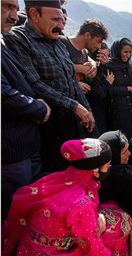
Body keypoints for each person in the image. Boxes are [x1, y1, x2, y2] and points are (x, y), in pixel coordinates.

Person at [2, 138, 132, 256]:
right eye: (107, 165)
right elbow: (91, 246)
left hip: (29, 252)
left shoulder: (54, 179)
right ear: (95, 170)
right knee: (120, 223)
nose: (109, 167)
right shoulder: (82, 203)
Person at [4, 0, 95, 172]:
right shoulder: (18, 39)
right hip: (48, 123)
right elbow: (34, 83)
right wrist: (74, 106)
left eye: (62, 20)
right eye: (54, 20)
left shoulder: (59, 43)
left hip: (73, 119)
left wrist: (86, 108)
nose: (60, 26)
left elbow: (71, 80)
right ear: (34, 15)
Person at [1, 0, 51, 221]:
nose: (13, 16)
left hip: (26, 144)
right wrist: (38, 108)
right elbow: (4, 93)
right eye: (6, 7)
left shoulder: (4, 41)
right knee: (13, 214)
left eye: (14, 8)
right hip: (11, 150)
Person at [106, 38, 132, 139]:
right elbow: (108, 90)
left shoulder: (131, 69)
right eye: (125, 51)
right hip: (118, 112)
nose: (127, 55)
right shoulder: (109, 67)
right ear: (117, 51)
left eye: (129, 52)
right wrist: (128, 89)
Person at [60, 19, 108, 96]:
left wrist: (93, 66)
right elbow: (54, 66)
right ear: (87, 35)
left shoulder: (84, 52)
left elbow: (92, 64)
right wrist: (80, 69)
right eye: (98, 41)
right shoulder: (61, 42)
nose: (99, 46)